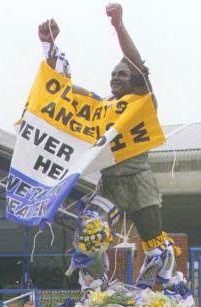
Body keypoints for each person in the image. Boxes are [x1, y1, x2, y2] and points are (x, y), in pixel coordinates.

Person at [37, 4, 183, 291]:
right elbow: (61, 91)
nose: (115, 77)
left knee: (156, 248)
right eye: (113, 74)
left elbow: (138, 66)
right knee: (90, 230)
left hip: (139, 183)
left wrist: (119, 26)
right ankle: (95, 285)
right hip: (109, 185)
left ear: (136, 81)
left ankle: (171, 291)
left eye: (122, 74)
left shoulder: (143, 101)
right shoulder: (101, 106)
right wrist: (48, 46)